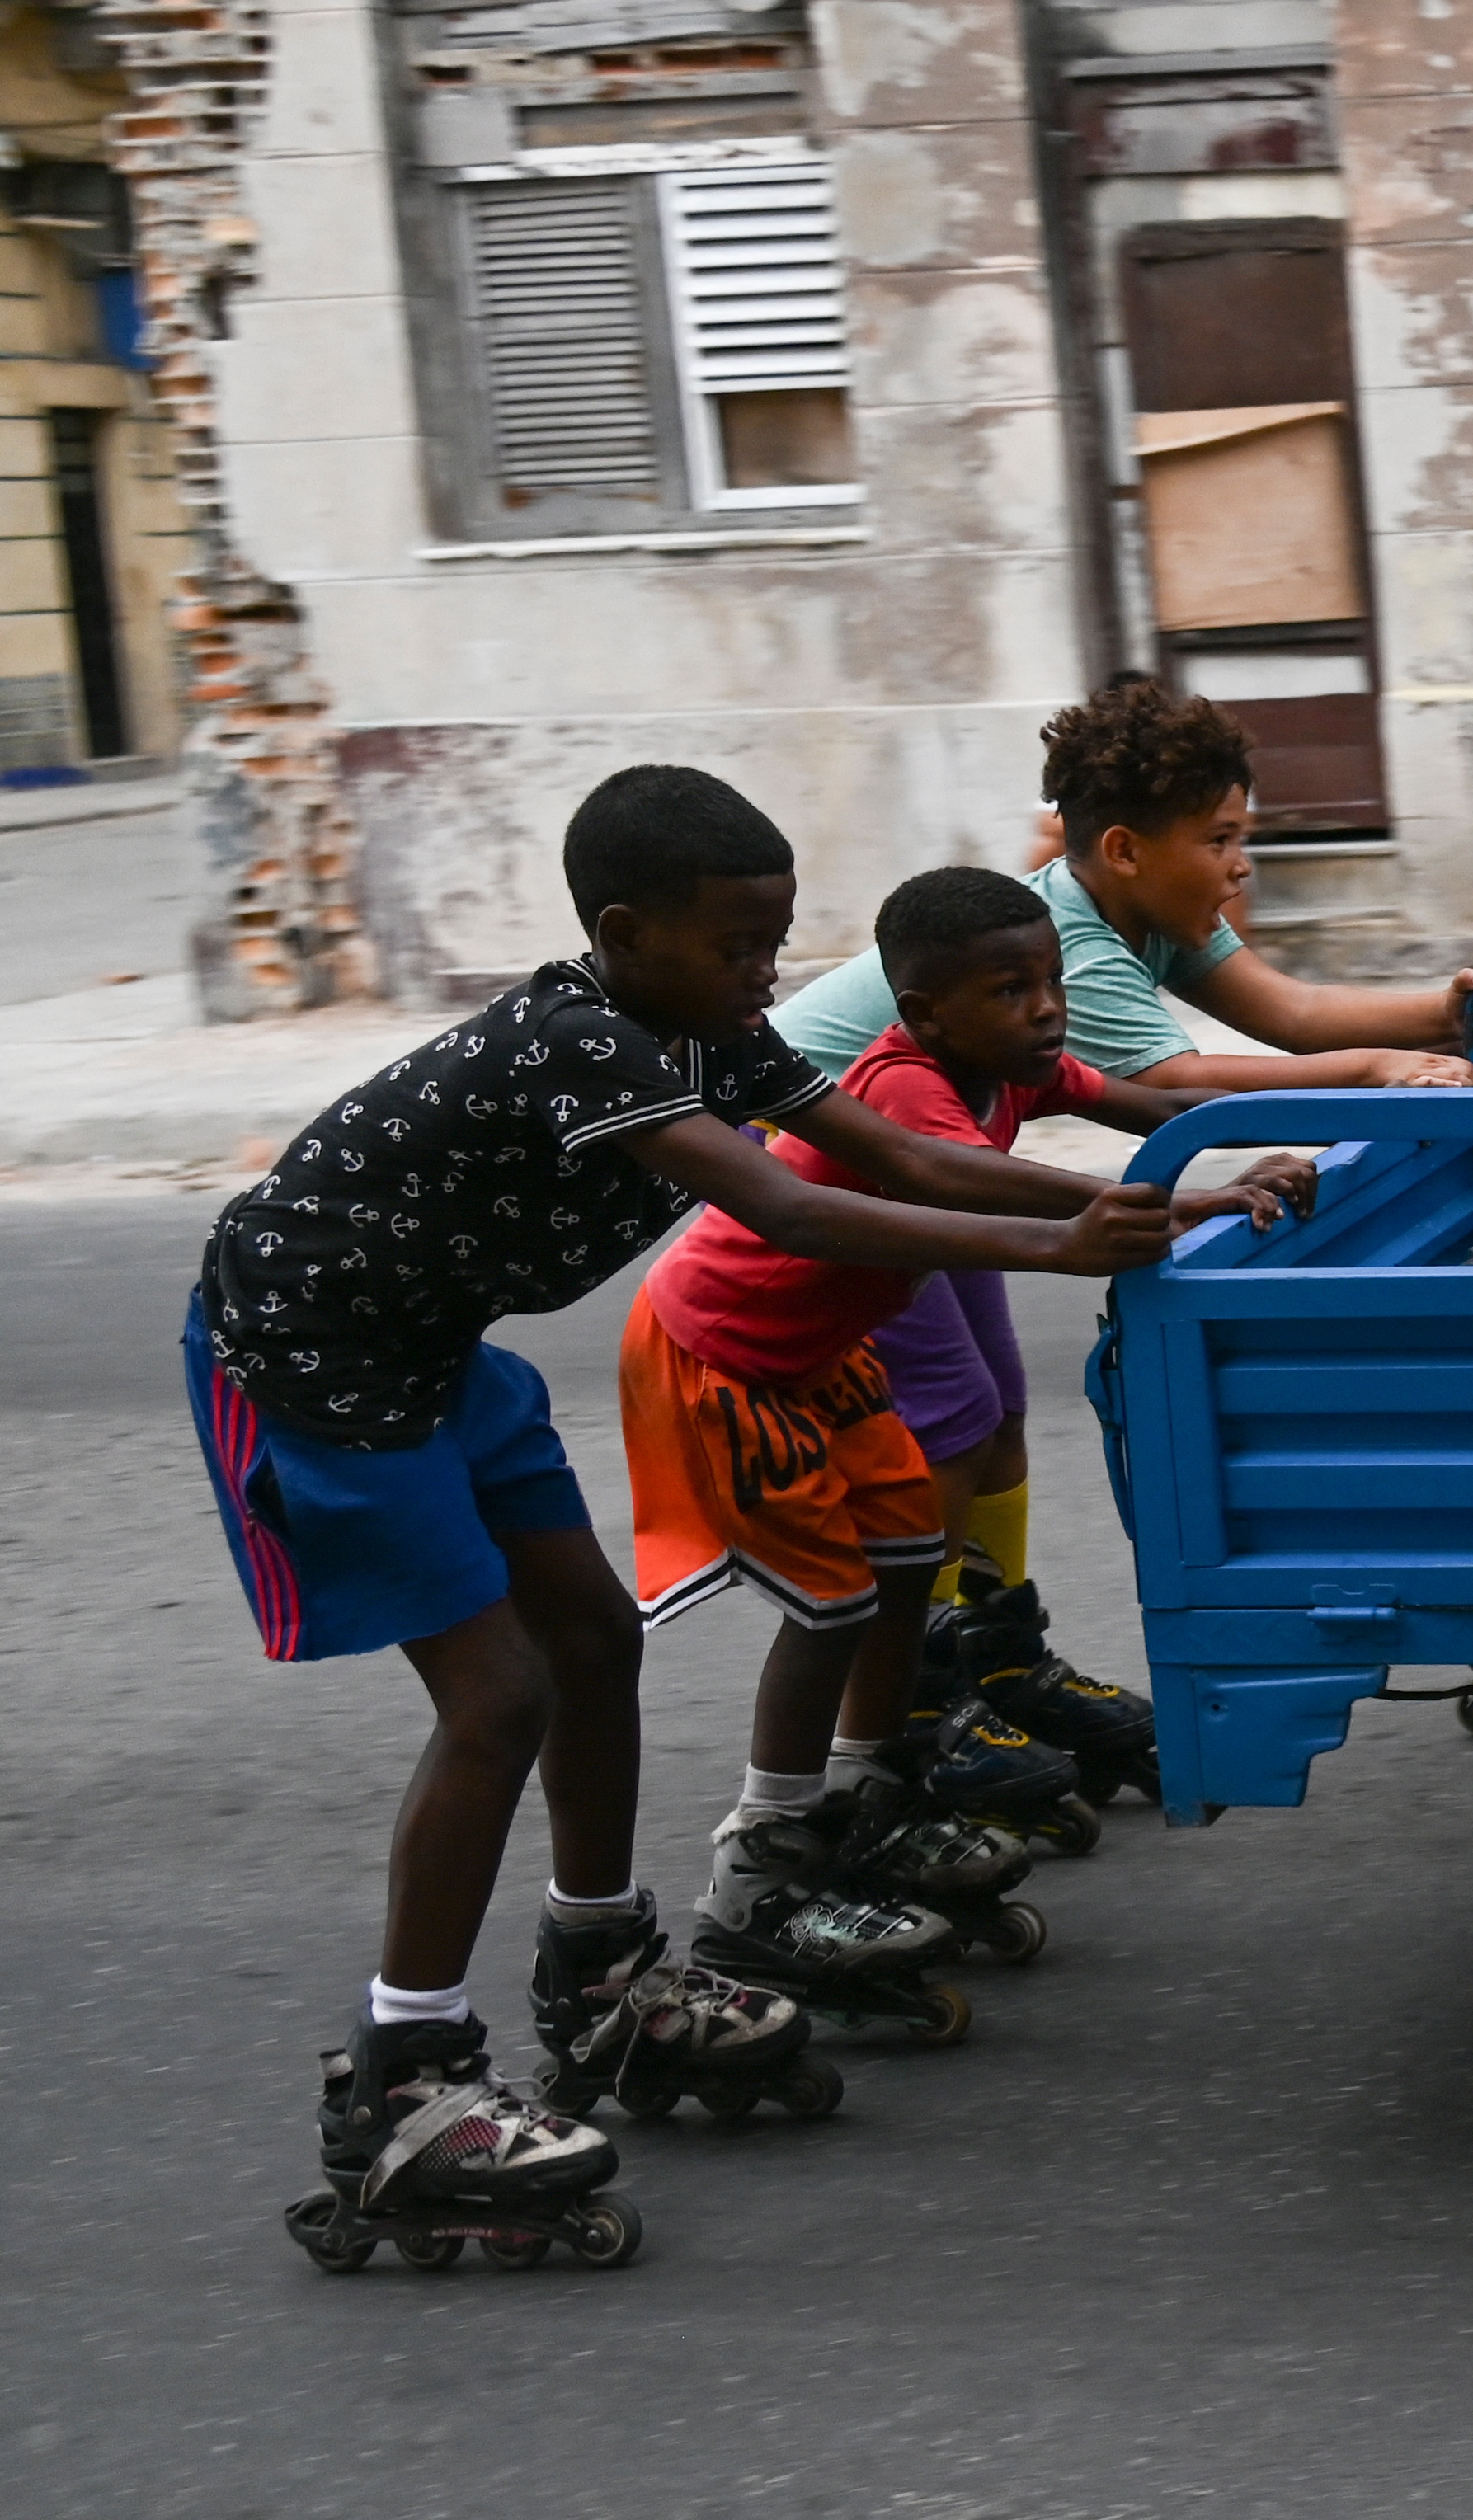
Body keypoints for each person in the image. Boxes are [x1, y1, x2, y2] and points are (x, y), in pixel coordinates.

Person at [186, 767, 1198, 2240]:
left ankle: (599, 1974)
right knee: (498, 1696)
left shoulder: (713, 1029)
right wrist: (1060, 1252)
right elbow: (786, 1206)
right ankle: (404, 2078)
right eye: (737, 946)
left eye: (777, 943)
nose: (764, 977)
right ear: (624, 927)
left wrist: (1174, 1202)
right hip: (311, 1358)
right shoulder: (583, 1043)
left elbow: (903, 1154)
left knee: (596, 1641)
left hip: (436, 1348)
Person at [634, 867, 1301, 2011]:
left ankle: (870, 1793)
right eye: (1010, 990)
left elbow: (1148, 1108)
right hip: (726, 1354)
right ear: (924, 1012)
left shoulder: (1012, 1066)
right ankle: (759, 1871)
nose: (1045, 1008)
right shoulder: (904, 1084)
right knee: (831, 1600)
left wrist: (1284, 1139)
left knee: (904, 1570)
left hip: (825, 1357)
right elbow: (959, 1179)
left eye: (1049, 982)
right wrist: (1186, 1207)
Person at [777, 680, 1473, 1615]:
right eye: (1220, 840)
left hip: (942, 1158)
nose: (1241, 867)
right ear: (1125, 850)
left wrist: (1447, 1016)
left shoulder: (1145, 916)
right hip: (833, 1163)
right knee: (948, 1414)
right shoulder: (1069, 943)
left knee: (1000, 1405)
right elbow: (1178, 1088)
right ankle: (923, 1672)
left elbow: (1293, 1012)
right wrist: (1382, 1070)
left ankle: (995, 1639)